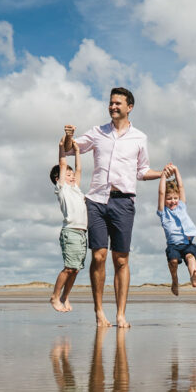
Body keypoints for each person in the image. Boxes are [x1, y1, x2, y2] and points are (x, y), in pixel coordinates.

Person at [65, 87, 169, 328]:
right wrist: (70, 136)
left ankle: (121, 313)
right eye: (110, 103)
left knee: (121, 260)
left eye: (117, 103)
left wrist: (162, 173)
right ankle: (99, 311)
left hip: (123, 202)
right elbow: (72, 149)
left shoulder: (139, 138)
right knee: (99, 256)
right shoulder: (98, 132)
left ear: (129, 107)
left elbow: (142, 171)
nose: (112, 106)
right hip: (96, 201)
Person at [49, 128, 86, 313]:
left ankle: (65, 296)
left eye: (72, 175)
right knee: (69, 268)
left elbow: (78, 169)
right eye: (68, 175)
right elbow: (63, 164)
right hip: (70, 231)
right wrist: (62, 147)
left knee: (76, 269)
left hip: (82, 233)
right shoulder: (62, 188)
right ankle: (55, 296)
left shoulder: (76, 189)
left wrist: (78, 152)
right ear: (59, 179)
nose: (72, 176)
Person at [157, 164, 196, 296]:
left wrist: (176, 171)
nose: (173, 201)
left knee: (191, 257)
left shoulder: (181, 207)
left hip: (187, 243)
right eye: (169, 198)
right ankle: (175, 280)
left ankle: (194, 274)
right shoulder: (163, 213)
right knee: (173, 261)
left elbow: (181, 187)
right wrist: (164, 176)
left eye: (175, 198)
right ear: (165, 200)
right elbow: (161, 192)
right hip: (173, 246)